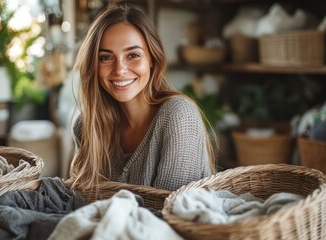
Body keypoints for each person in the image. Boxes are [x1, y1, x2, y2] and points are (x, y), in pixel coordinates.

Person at [70, 2, 217, 191]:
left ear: (152, 60)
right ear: (94, 66)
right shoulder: (87, 126)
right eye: (106, 57)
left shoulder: (179, 116)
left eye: (133, 55)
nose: (120, 70)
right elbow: (79, 201)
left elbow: (170, 212)